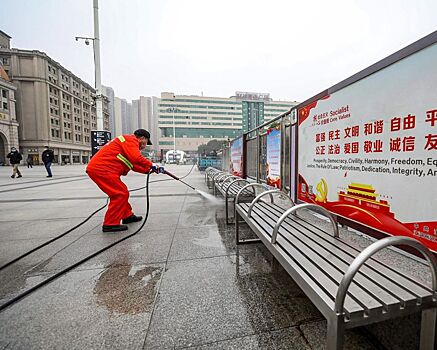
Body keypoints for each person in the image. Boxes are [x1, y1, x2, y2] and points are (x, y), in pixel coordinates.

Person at [86, 129, 164, 233]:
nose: (144, 146)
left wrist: (149, 170)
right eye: (145, 143)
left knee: (121, 192)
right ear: (142, 138)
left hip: (104, 169)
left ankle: (127, 216)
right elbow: (136, 158)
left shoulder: (126, 144)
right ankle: (110, 224)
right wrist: (152, 165)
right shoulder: (131, 140)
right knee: (120, 194)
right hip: (102, 169)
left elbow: (133, 165)